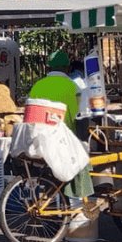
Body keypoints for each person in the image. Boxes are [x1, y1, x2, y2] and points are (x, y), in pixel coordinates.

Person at [27, 50, 93, 199]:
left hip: (37, 141)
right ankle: (78, 200)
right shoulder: (73, 87)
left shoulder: (37, 86)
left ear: (49, 67)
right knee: (82, 159)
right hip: (62, 142)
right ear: (67, 68)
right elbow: (81, 116)